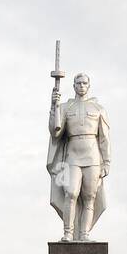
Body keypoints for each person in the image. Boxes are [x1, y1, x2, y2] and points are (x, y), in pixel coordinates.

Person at [47, 73, 111, 242]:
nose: (81, 85)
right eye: (78, 83)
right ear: (74, 86)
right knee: (71, 193)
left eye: (84, 83)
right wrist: (54, 107)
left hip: (92, 157)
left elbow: (104, 138)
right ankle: (68, 233)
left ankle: (84, 234)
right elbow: (56, 131)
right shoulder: (66, 108)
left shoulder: (99, 109)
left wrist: (107, 162)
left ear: (88, 86)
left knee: (90, 197)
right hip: (72, 156)